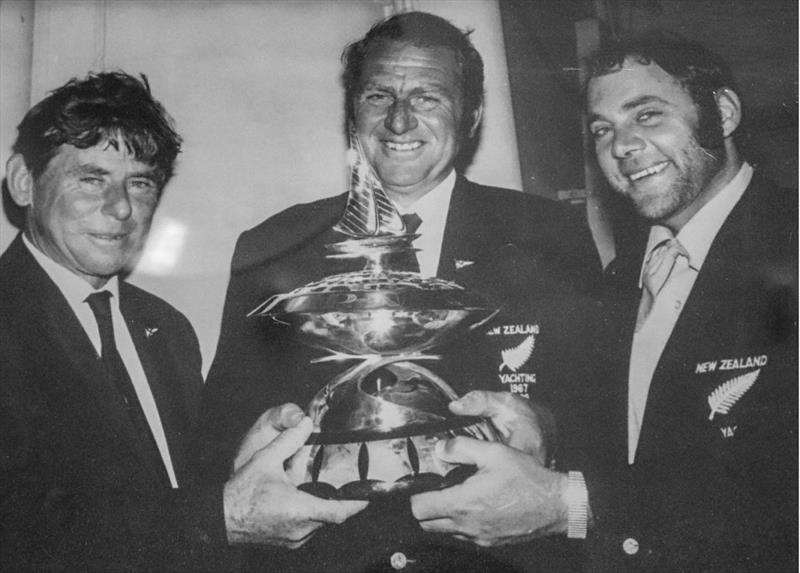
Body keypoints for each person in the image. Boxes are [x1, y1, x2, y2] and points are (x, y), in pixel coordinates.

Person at [200, 11, 601, 573]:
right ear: (352, 114)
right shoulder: (273, 247)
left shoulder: (547, 236)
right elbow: (221, 430)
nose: (399, 121)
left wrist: (546, 428)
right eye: (378, 97)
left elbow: (599, 412)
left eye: (428, 98)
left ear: (473, 115)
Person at [412, 35, 797, 572]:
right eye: (602, 129)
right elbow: (645, 438)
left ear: (724, 113)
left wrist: (571, 505)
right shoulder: (628, 268)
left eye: (647, 115)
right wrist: (543, 428)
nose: (622, 145)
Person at [0, 71, 366, 572]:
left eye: (140, 183)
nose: (122, 207)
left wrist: (241, 462)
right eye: (91, 178)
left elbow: (169, 497)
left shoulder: (165, 328)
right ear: (24, 182)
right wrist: (225, 514)